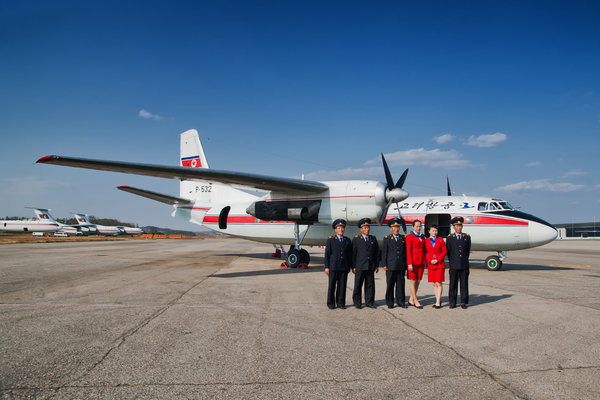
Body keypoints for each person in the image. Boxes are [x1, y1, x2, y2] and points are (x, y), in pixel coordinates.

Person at [324, 219, 353, 309]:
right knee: (332, 286)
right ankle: (331, 303)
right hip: (333, 267)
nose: (341, 230)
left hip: (343, 267)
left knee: (342, 286)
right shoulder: (331, 240)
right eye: (339, 228)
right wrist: (327, 267)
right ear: (335, 230)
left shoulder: (347, 240)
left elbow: (349, 255)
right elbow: (327, 254)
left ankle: (340, 303)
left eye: (342, 228)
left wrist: (349, 266)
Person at [352, 218, 380, 309]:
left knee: (370, 285)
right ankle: (357, 302)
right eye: (364, 228)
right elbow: (353, 253)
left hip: (370, 266)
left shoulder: (373, 238)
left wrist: (376, 265)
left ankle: (370, 302)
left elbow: (376, 253)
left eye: (368, 227)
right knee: (358, 285)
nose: (367, 229)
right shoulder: (356, 239)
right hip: (360, 266)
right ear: (361, 229)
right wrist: (353, 266)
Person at [381, 217, 408, 309]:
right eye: (394, 227)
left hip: (400, 265)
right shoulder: (387, 239)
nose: (396, 229)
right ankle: (390, 302)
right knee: (390, 285)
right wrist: (384, 264)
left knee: (400, 285)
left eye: (397, 227)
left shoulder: (403, 238)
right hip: (391, 266)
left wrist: (406, 265)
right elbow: (384, 253)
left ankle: (400, 301)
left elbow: (405, 253)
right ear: (390, 228)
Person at [446, 216, 471, 309]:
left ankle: (463, 302)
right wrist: (453, 261)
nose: (459, 227)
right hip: (454, 265)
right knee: (453, 284)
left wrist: (463, 260)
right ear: (454, 227)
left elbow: (467, 251)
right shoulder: (450, 238)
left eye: (460, 225)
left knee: (464, 284)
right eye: (457, 225)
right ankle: (452, 302)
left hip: (464, 264)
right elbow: (448, 251)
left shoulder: (467, 237)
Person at [425, 224, 447, 308]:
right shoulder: (426, 241)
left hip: (439, 264)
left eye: (436, 231)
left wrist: (437, 259)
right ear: (429, 231)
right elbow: (425, 252)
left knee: (439, 282)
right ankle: (436, 299)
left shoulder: (440, 240)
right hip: (431, 264)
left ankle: (438, 301)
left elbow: (444, 251)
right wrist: (430, 260)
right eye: (433, 231)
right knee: (434, 283)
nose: (435, 232)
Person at [406, 220, 426, 308]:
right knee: (413, 281)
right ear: (413, 227)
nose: (418, 228)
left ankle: (411, 299)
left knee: (418, 281)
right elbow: (408, 251)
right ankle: (416, 300)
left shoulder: (422, 236)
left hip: (421, 262)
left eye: (420, 226)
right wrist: (409, 263)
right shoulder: (409, 237)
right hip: (413, 263)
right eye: (417, 226)